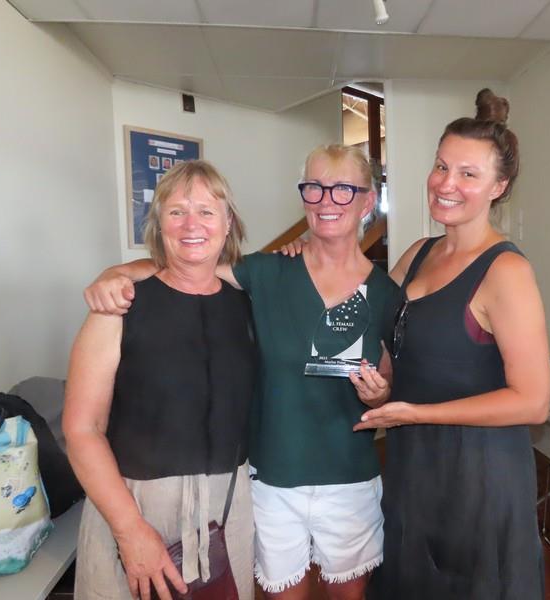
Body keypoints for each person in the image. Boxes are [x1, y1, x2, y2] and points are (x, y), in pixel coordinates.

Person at [83, 145, 399, 600]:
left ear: (368, 202)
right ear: (304, 197)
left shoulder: (387, 292)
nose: (327, 199)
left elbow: (388, 385)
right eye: (315, 187)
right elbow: (188, 266)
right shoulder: (268, 272)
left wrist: (378, 395)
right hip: (271, 478)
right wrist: (116, 273)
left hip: (349, 476)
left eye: (344, 189)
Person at [354, 89, 550, 599]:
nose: (447, 184)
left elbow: (533, 401)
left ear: (499, 186)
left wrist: (416, 414)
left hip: (477, 479)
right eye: (442, 167)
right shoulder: (417, 253)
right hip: (412, 467)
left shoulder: (506, 270)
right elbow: (382, 333)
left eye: (469, 174)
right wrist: (381, 392)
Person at [63, 160, 257, 600]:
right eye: (177, 211)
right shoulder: (117, 307)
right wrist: (131, 532)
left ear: (228, 224)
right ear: (158, 225)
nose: (192, 224)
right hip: (134, 506)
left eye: (207, 211)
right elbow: (81, 429)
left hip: (228, 508)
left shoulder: (248, 307)